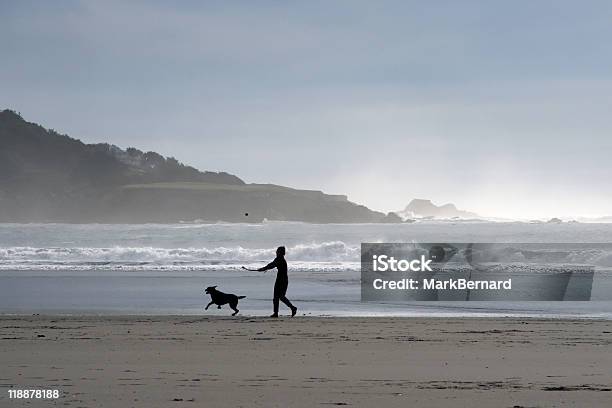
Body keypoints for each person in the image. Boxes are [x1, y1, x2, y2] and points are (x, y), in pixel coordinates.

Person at [257, 246, 298, 318]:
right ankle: (290, 309)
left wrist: (263, 268)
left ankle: (279, 312)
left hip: (281, 280)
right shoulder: (280, 259)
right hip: (283, 280)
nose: (276, 252)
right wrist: (263, 268)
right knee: (280, 297)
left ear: (280, 252)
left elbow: (271, 265)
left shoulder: (280, 259)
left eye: (277, 251)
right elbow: (271, 265)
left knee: (278, 297)